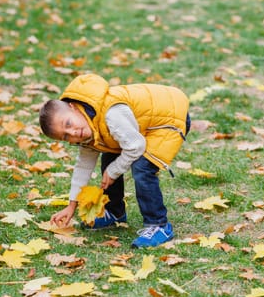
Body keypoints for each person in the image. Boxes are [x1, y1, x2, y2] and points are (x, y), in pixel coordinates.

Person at [39, 73, 190, 248]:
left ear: (73, 108)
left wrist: (113, 171)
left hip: (169, 117)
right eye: (66, 136)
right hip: (141, 125)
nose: (73, 133)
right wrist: (71, 206)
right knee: (109, 156)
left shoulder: (111, 114)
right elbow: (83, 167)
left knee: (142, 167)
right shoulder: (87, 128)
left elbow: (136, 146)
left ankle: (159, 225)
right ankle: (115, 212)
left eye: (68, 124)